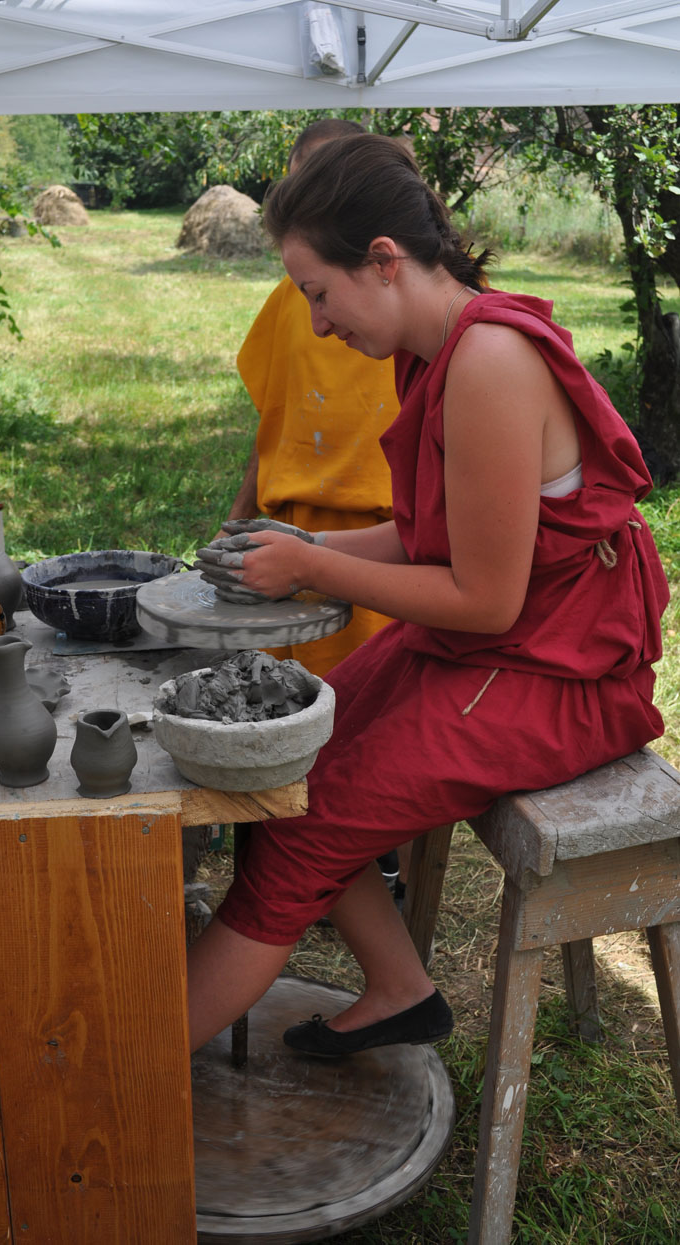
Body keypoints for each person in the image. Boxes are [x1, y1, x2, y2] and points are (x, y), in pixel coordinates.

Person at [188, 132, 669, 1057]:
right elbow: (434, 533)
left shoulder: (488, 361)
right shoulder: (434, 349)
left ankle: (125, 1079)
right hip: (511, 643)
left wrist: (313, 568)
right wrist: (307, 542)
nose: (319, 324)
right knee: (283, 766)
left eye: (318, 294)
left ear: (382, 260)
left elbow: (485, 595)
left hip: (560, 672)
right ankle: (401, 987)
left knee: (302, 827)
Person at [224, 118, 410, 900]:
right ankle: (279, 859)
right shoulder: (292, 304)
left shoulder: (427, 328)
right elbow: (271, 425)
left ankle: (376, 859)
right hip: (289, 535)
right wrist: (240, 519)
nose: (321, 319)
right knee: (276, 712)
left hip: (384, 541)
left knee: (364, 732)